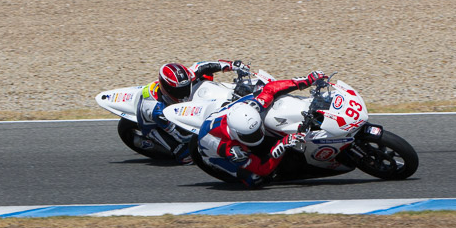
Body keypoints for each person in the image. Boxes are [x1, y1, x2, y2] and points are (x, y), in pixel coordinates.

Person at [197, 71, 328, 187]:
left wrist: (306, 81)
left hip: (229, 114)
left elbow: (271, 89)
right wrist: (281, 145)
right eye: (250, 136)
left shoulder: (253, 107)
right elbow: (262, 169)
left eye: (256, 132)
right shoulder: (231, 149)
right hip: (212, 151)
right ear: (237, 134)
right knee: (255, 179)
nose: (257, 137)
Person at [138, 60, 249, 163]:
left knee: (206, 76)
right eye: (179, 91)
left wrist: (232, 65)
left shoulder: (186, 77)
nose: (184, 93)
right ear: (167, 89)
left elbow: (205, 66)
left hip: (173, 105)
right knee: (185, 155)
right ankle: (147, 143)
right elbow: (181, 136)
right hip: (152, 124)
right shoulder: (158, 111)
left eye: (186, 87)